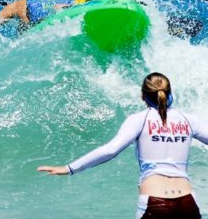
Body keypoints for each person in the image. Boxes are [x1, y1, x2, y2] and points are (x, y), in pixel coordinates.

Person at [37, 72, 206, 218]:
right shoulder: (189, 120)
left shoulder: (139, 119)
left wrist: (69, 168)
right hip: (188, 202)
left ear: (143, 96)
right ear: (170, 93)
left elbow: (111, 150)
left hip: (155, 202)